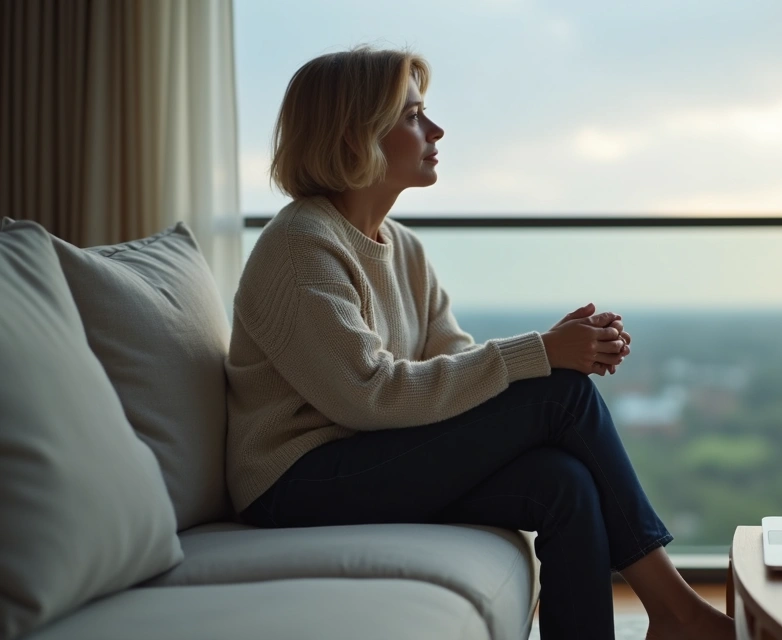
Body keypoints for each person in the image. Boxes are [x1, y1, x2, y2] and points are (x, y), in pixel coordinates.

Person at [225, 46, 735, 640]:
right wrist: (544, 356)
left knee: (562, 483)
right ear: (353, 135)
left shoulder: (404, 248)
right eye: (412, 116)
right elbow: (366, 394)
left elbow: (453, 362)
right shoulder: (300, 244)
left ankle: (658, 621)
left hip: (367, 457)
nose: (436, 129)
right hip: (294, 481)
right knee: (562, 395)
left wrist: (549, 350)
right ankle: (677, 613)